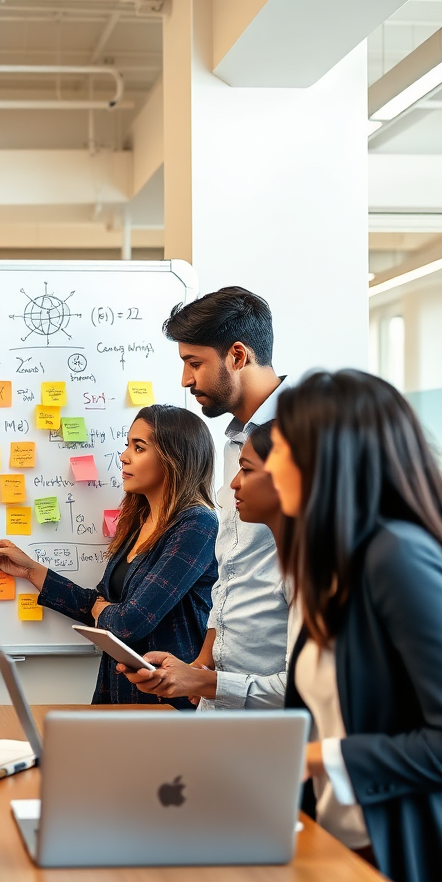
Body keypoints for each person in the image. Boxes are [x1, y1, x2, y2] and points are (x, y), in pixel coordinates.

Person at [269, 369, 442, 882]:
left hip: (403, 862)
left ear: (323, 458)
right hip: (338, 849)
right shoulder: (333, 565)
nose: (270, 465)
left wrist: (313, 757)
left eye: (279, 449)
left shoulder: (397, 558)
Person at [0, 404, 218, 707]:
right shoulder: (139, 522)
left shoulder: (197, 525)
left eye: (139, 447)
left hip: (166, 702)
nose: (124, 456)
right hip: (117, 692)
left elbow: (129, 623)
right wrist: (31, 571)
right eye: (127, 445)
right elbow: (100, 609)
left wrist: (100, 608)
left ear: (175, 458)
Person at [150, 286, 291, 709]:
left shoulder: (302, 438)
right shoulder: (234, 444)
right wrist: (201, 666)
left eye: (195, 363)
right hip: (223, 693)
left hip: (278, 699)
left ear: (237, 356)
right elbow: (232, 567)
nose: (185, 379)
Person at [120, 423, 293, 709]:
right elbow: (224, 588)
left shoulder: (310, 575)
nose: (232, 484)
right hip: (216, 714)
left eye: (246, 470)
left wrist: (202, 681)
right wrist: (198, 670)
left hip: (266, 727)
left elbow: (308, 688)